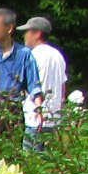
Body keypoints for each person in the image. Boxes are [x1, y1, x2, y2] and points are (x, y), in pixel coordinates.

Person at [20, 15, 67, 148]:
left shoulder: (33, 56)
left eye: (27, 32)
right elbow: (63, 86)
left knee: (31, 163)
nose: (25, 35)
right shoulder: (58, 55)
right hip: (53, 119)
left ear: (37, 34)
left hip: (35, 119)